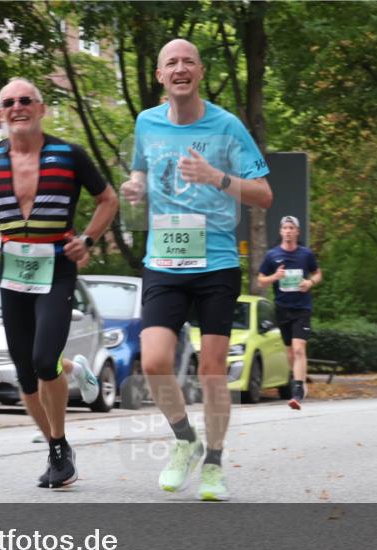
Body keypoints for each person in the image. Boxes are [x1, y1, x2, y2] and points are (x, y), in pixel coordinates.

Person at [120, 38, 272, 501]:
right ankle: (185, 440)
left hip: (217, 260)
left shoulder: (227, 127)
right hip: (164, 258)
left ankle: (215, 464)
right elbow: (142, 173)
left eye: (188, 61)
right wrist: (134, 187)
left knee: (211, 371)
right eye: (172, 63)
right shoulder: (146, 122)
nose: (180, 68)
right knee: (154, 362)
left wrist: (217, 178)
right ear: (162, 76)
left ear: (200, 72)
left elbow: (264, 194)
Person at [0, 77, 119, 488]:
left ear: (41, 108)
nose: (17, 107)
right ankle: (59, 440)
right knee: (25, 372)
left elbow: (109, 199)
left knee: (42, 358)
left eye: (25, 100)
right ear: (0, 113)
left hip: (56, 266)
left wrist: (87, 239)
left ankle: (58, 443)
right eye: (8, 102)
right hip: (13, 269)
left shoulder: (69, 155)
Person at [257, 215, 321, 410]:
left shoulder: (305, 254)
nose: (288, 231)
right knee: (291, 353)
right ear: (281, 231)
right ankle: (298, 379)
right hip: (282, 308)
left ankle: (298, 389)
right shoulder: (272, 255)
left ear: (297, 232)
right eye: (285, 227)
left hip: (302, 307)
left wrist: (309, 282)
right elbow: (260, 280)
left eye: (292, 228)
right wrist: (275, 276)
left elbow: (318, 273)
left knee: (300, 348)